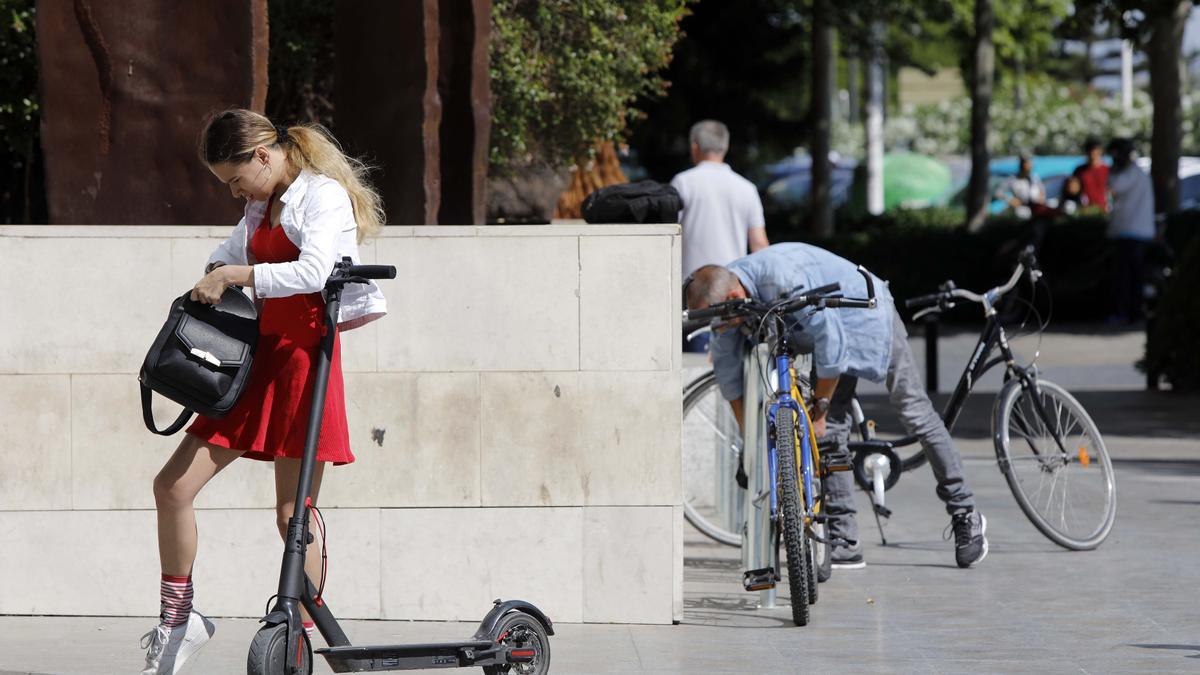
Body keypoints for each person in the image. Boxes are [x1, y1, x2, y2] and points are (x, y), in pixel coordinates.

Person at [141, 108, 387, 675]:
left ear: (262, 156)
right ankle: (179, 623)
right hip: (252, 362)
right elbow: (228, 255)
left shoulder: (321, 196)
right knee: (173, 486)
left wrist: (235, 276)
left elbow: (317, 271)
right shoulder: (259, 204)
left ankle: (297, 632)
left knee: (292, 513)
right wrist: (217, 270)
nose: (233, 192)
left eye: (234, 179)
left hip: (305, 359)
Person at [685, 244, 988, 570]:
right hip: (818, 330)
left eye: (724, 324)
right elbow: (729, 373)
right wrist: (749, 440)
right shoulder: (723, 301)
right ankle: (845, 539)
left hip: (864, 310)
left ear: (734, 297)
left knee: (913, 411)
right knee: (830, 434)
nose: (723, 330)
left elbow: (832, 341)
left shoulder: (780, 277)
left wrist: (822, 409)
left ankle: (965, 513)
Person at [671, 120, 769, 352]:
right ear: (725, 147)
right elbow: (759, 244)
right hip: (733, 292)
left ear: (695, 147)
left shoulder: (683, 183)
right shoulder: (746, 188)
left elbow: (667, 239)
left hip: (694, 297)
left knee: (697, 367)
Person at [1105, 138, 1155, 325]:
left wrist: (1113, 171)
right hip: (1134, 232)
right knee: (1133, 276)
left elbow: (1115, 187)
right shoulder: (1137, 173)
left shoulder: (1131, 173)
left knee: (1126, 277)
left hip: (1131, 232)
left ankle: (1126, 312)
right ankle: (1132, 312)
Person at [994, 153, 1045, 219]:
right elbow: (998, 193)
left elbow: (1042, 190)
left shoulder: (1034, 178)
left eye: (1030, 165)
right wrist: (1010, 200)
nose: (1030, 167)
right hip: (1022, 209)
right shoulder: (1013, 179)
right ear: (1022, 165)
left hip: (1036, 208)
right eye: (1027, 165)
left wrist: (1041, 198)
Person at [1073, 137, 1109, 211]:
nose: (1092, 153)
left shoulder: (1108, 170)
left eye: (1094, 150)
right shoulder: (1079, 171)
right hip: (1084, 211)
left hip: (1104, 210)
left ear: (1100, 151)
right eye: (1089, 150)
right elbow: (1072, 191)